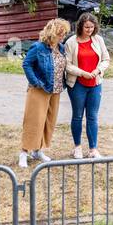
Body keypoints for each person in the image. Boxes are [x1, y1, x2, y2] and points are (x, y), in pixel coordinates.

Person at [19, 18, 70, 170]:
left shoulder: (60, 48)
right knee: (34, 121)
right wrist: (35, 82)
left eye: (64, 33)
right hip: (39, 89)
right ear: (52, 33)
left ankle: (38, 150)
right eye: (61, 33)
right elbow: (26, 64)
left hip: (56, 90)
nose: (63, 36)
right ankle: (23, 152)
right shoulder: (38, 47)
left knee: (49, 121)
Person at [63, 11, 110, 158]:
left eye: (92, 27)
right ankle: (77, 147)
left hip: (95, 83)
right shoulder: (71, 42)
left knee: (92, 116)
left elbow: (106, 59)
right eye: (86, 27)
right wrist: (82, 73)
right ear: (80, 27)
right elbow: (67, 65)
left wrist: (98, 70)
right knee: (77, 116)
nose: (89, 30)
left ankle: (93, 149)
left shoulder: (98, 40)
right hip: (77, 84)